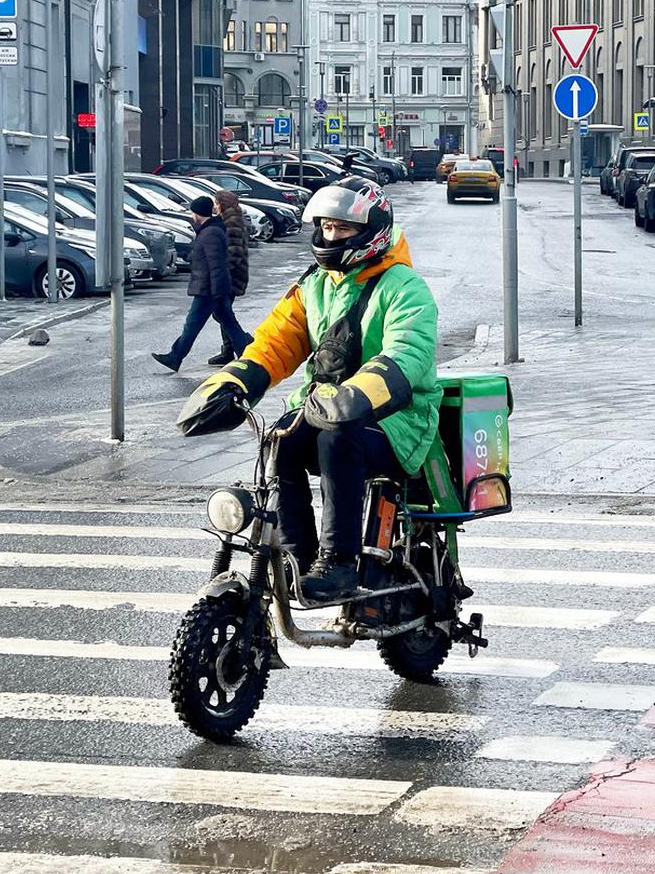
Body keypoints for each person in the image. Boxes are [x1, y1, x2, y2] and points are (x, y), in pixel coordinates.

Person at [177, 177, 441, 601]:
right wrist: (231, 384)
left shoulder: (404, 287)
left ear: (373, 231)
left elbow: (407, 352)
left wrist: (356, 395)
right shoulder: (315, 284)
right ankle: (298, 558)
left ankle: (338, 563)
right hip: (322, 408)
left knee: (339, 441)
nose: (331, 236)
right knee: (279, 440)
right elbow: (275, 342)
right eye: (327, 226)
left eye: (343, 228)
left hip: (397, 419)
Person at [152, 196, 252, 373]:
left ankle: (175, 357)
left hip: (208, 290)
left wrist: (218, 291)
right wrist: (191, 256)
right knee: (229, 322)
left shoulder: (211, 233)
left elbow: (217, 264)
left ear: (197, 213)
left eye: (193, 213)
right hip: (214, 288)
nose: (191, 216)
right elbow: (208, 256)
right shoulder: (210, 230)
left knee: (192, 324)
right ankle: (247, 353)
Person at [207, 190, 249, 366]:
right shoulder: (230, 218)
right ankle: (230, 349)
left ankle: (244, 344)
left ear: (222, 204)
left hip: (230, 277)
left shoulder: (230, 221)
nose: (215, 207)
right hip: (233, 275)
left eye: (216, 203)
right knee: (222, 312)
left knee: (222, 312)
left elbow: (234, 252)